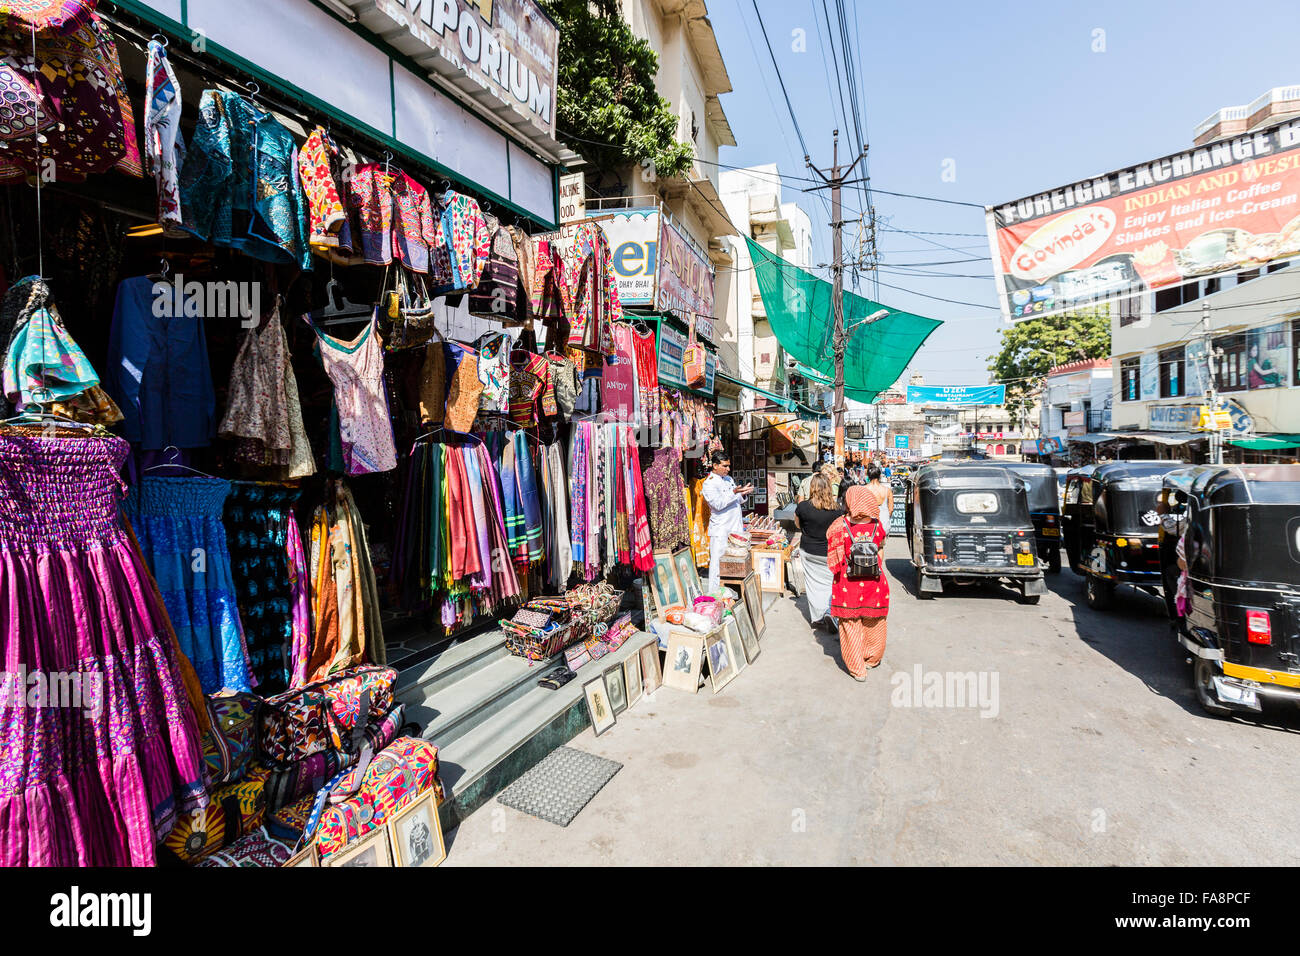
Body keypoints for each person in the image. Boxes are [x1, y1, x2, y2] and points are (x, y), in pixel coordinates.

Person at [826, 486, 890, 681]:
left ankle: (857, 669)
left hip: (848, 583)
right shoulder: (878, 525)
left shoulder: (839, 525)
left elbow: (833, 559)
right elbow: (880, 551)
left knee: (850, 624)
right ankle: (871, 659)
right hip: (875, 581)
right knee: (875, 622)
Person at [795, 474, 844, 630]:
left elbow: (798, 525)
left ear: (812, 488)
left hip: (809, 551)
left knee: (813, 584)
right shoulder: (838, 509)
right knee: (831, 584)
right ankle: (830, 611)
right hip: (830, 553)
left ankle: (817, 618)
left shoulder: (803, 507)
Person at [701, 451, 752, 593]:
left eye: (729, 466)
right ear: (715, 466)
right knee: (717, 563)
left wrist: (743, 494)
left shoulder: (729, 479)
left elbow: (736, 500)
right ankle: (714, 594)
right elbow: (717, 504)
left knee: (735, 558)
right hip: (721, 529)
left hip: (735, 526)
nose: (728, 469)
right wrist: (734, 493)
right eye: (725, 466)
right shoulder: (708, 484)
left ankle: (732, 590)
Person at [865, 460, 894, 534]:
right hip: (883, 522)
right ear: (879, 476)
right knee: (880, 544)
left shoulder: (864, 489)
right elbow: (890, 509)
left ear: (868, 476)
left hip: (867, 523)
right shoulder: (887, 490)